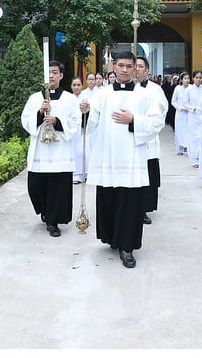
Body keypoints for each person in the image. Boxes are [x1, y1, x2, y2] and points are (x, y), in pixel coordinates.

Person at [80, 51, 164, 268]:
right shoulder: (101, 94)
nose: (125, 69)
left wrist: (134, 119)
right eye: (121, 65)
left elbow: (157, 123)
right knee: (110, 198)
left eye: (129, 66)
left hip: (132, 157)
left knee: (130, 202)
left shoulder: (145, 95)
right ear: (113, 68)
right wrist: (85, 112)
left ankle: (128, 247)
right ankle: (112, 238)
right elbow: (92, 125)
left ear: (136, 68)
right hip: (108, 156)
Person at [21, 61, 81, 237]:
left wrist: (57, 121)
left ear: (61, 75)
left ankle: (53, 221)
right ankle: (44, 210)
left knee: (57, 187)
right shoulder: (34, 98)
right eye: (48, 73)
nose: (51, 75)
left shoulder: (69, 99)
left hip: (60, 151)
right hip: (40, 150)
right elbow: (25, 120)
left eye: (54, 72)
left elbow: (75, 121)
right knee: (35, 186)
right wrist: (40, 113)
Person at [136, 56, 168, 224]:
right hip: (130, 137)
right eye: (135, 66)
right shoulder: (126, 88)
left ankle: (144, 209)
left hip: (149, 138)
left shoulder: (155, 89)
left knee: (148, 174)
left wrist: (145, 119)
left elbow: (163, 109)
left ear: (147, 70)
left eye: (141, 66)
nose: (137, 69)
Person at [186, 70, 202, 167]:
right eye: (196, 78)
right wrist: (193, 109)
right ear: (193, 78)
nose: (198, 80)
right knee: (193, 138)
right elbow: (185, 103)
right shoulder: (189, 89)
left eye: (200, 78)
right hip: (193, 116)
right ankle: (194, 160)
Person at [69, 76, 89, 184]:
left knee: (84, 151)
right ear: (71, 86)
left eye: (78, 85)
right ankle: (75, 174)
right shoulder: (68, 99)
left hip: (83, 129)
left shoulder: (86, 99)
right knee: (74, 151)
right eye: (74, 85)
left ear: (82, 86)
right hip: (72, 130)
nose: (76, 87)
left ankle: (85, 173)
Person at [171, 71, 190, 155]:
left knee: (188, 130)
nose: (187, 80)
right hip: (180, 113)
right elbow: (173, 101)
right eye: (185, 79)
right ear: (181, 80)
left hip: (189, 113)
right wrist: (181, 108)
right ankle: (180, 149)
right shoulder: (177, 88)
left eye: (188, 78)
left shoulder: (191, 88)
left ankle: (188, 147)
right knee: (180, 130)